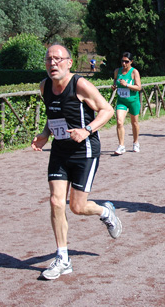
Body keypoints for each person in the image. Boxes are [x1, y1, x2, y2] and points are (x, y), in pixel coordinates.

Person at [31, 44, 122, 280]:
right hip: (60, 151)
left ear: (69, 62)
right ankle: (63, 258)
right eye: (49, 59)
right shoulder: (44, 86)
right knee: (55, 201)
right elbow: (53, 118)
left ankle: (105, 211)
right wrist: (44, 135)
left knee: (77, 207)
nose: (53, 63)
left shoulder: (80, 84)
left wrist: (87, 130)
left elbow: (107, 110)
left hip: (85, 151)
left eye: (58, 59)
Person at [111, 52, 142, 155]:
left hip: (133, 100)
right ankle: (121, 146)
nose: (124, 63)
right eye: (122, 61)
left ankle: (136, 142)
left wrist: (127, 85)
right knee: (119, 122)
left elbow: (138, 87)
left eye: (126, 61)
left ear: (131, 62)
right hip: (121, 101)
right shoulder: (117, 71)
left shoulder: (134, 72)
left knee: (134, 123)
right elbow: (115, 81)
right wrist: (114, 86)